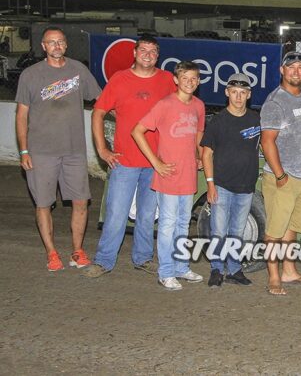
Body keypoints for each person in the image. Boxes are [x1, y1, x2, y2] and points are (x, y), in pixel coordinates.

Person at [83, 35, 176, 278]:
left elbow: (180, 111)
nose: (148, 54)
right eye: (143, 50)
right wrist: (102, 149)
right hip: (124, 161)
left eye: (153, 51)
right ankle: (103, 261)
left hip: (155, 162)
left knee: (147, 215)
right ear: (134, 53)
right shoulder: (119, 79)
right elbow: (98, 113)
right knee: (116, 214)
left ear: (158, 55)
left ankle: (143, 258)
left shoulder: (168, 80)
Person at [15, 26, 101, 271]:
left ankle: (78, 251)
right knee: (43, 203)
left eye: (60, 42)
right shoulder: (31, 75)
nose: (56, 46)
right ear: (43, 46)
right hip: (40, 151)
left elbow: (100, 99)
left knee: (81, 201)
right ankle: (52, 253)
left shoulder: (78, 70)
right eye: (51, 42)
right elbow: (21, 115)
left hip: (74, 150)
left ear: (66, 45)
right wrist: (24, 150)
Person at [132, 61, 205, 290]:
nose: (190, 82)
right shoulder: (165, 104)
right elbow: (137, 131)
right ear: (176, 80)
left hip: (188, 175)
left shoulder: (199, 106)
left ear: (199, 81)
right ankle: (165, 271)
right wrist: (156, 162)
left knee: (183, 224)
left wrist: (199, 155)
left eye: (194, 78)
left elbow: (199, 132)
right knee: (167, 224)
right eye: (185, 78)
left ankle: (181, 267)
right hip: (168, 175)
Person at [260, 52, 301, 296]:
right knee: (274, 230)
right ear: (282, 71)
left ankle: (290, 271)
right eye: (291, 67)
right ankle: (274, 277)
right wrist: (280, 175)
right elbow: (267, 141)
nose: (296, 71)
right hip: (283, 177)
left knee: (292, 227)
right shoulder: (275, 102)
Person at [201, 73, 261, 288]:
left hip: (246, 186)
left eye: (243, 93)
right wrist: (210, 184)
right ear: (227, 92)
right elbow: (206, 153)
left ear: (249, 94)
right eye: (234, 92)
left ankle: (234, 269)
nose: (238, 97)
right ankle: (216, 269)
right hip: (222, 185)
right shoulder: (218, 121)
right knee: (219, 230)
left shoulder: (255, 119)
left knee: (237, 230)